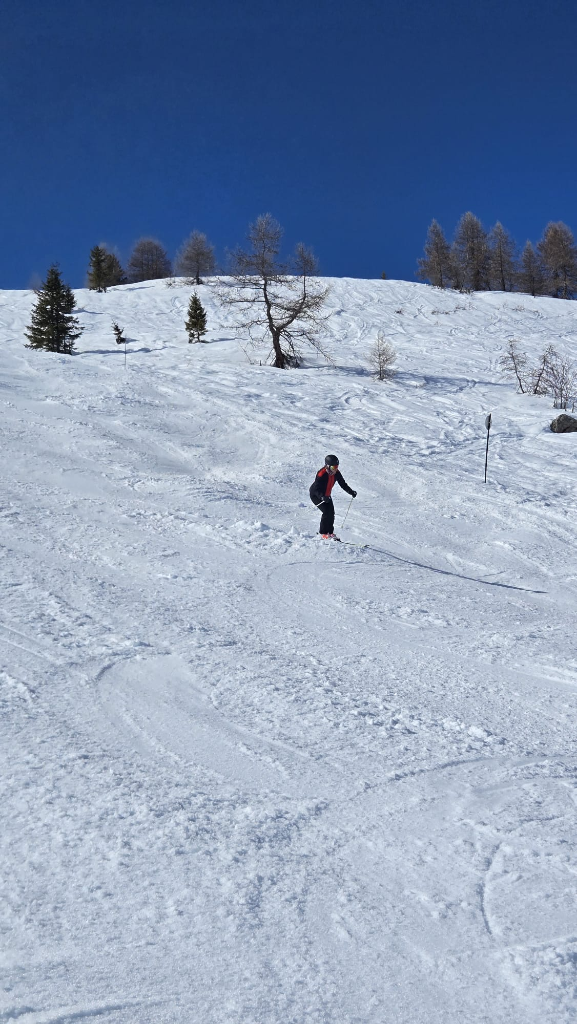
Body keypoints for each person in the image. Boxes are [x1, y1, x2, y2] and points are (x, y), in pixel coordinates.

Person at [309, 455, 357, 540]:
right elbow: (316, 489)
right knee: (326, 512)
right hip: (316, 495)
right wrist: (322, 497)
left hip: (326, 495)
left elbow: (343, 484)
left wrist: (351, 492)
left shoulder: (336, 473)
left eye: (337, 466)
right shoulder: (321, 474)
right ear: (327, 466)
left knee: (331, 513)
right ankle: (323, 533)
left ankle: (330, 533)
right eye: (334, 467)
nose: (335, 469)